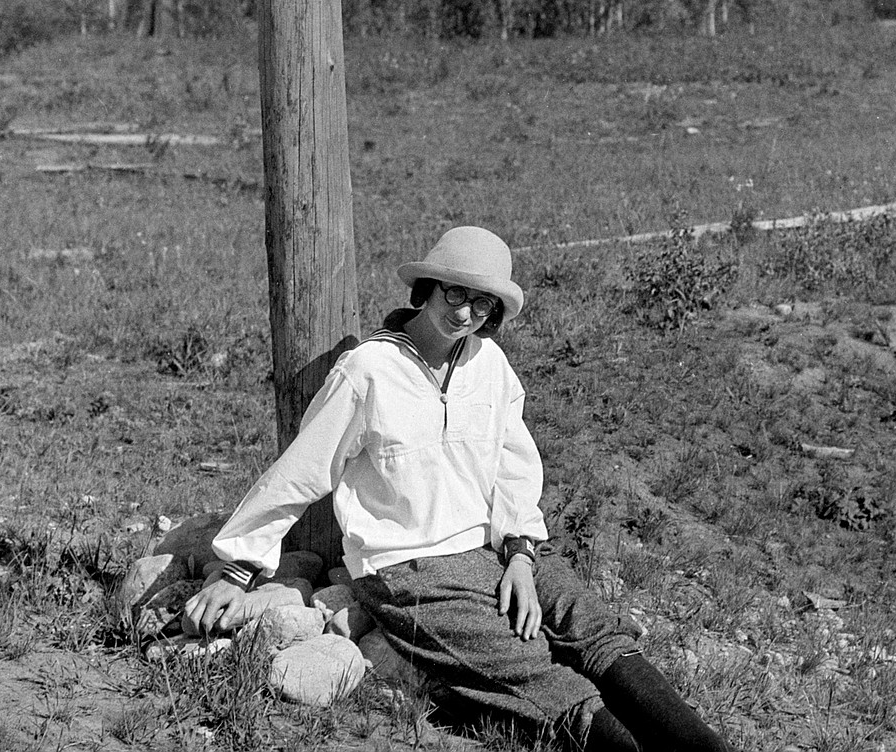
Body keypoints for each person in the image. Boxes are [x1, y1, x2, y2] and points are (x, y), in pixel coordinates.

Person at [185, 226, 731, 750]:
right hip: (410, 568)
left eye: (483, 304)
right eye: (455, 293)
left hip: (493, 551)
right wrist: (238, 566)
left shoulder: (489, 365)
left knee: (589, 626)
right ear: (426, 288)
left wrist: (519, 554)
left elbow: (514, 464)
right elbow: (301, 470)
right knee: (530, 667)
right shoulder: (369, 371)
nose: (465, 312)